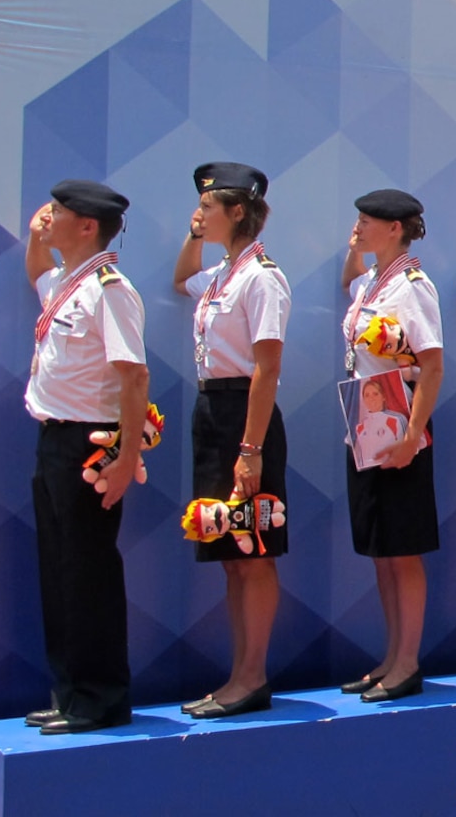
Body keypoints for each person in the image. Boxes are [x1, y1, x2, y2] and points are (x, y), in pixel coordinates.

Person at [22, 180, 148, 734]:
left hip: (89, 445)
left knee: (88, 572)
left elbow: (134, 374)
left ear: (88, 226)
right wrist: (35, 237)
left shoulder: (109, 289)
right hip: (53, 440)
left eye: (59, 213)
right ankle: (69, 692)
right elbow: (36, 272)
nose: (48, 217)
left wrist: (123, 456)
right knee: (59, 573)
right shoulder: (68, 284)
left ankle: (100, 698)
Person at [170, 162, 290, 718]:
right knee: (228, 550)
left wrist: (251, 449)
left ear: (238, 211)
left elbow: (266, 369)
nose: (199, 213)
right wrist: (194, 233)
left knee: (253, 552)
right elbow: (180, 279)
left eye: (208, 206)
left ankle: (253, 675)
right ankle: (237, 674)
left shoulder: (261, 276)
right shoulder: (222, 273)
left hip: (247, 416)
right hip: (213, 411)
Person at [338, 189, 443, 702]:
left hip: (400, 428)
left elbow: (433, 366)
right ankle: (389, 656)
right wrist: (357, 247)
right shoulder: (369, 283)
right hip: (364, 422)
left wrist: (411, 435)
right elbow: (347, 281)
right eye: (358, 219)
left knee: (402, 551)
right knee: (381, 550)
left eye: (367, 221)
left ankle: (408, 662)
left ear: (396, 227)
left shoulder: (412, 287)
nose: (357, 226)